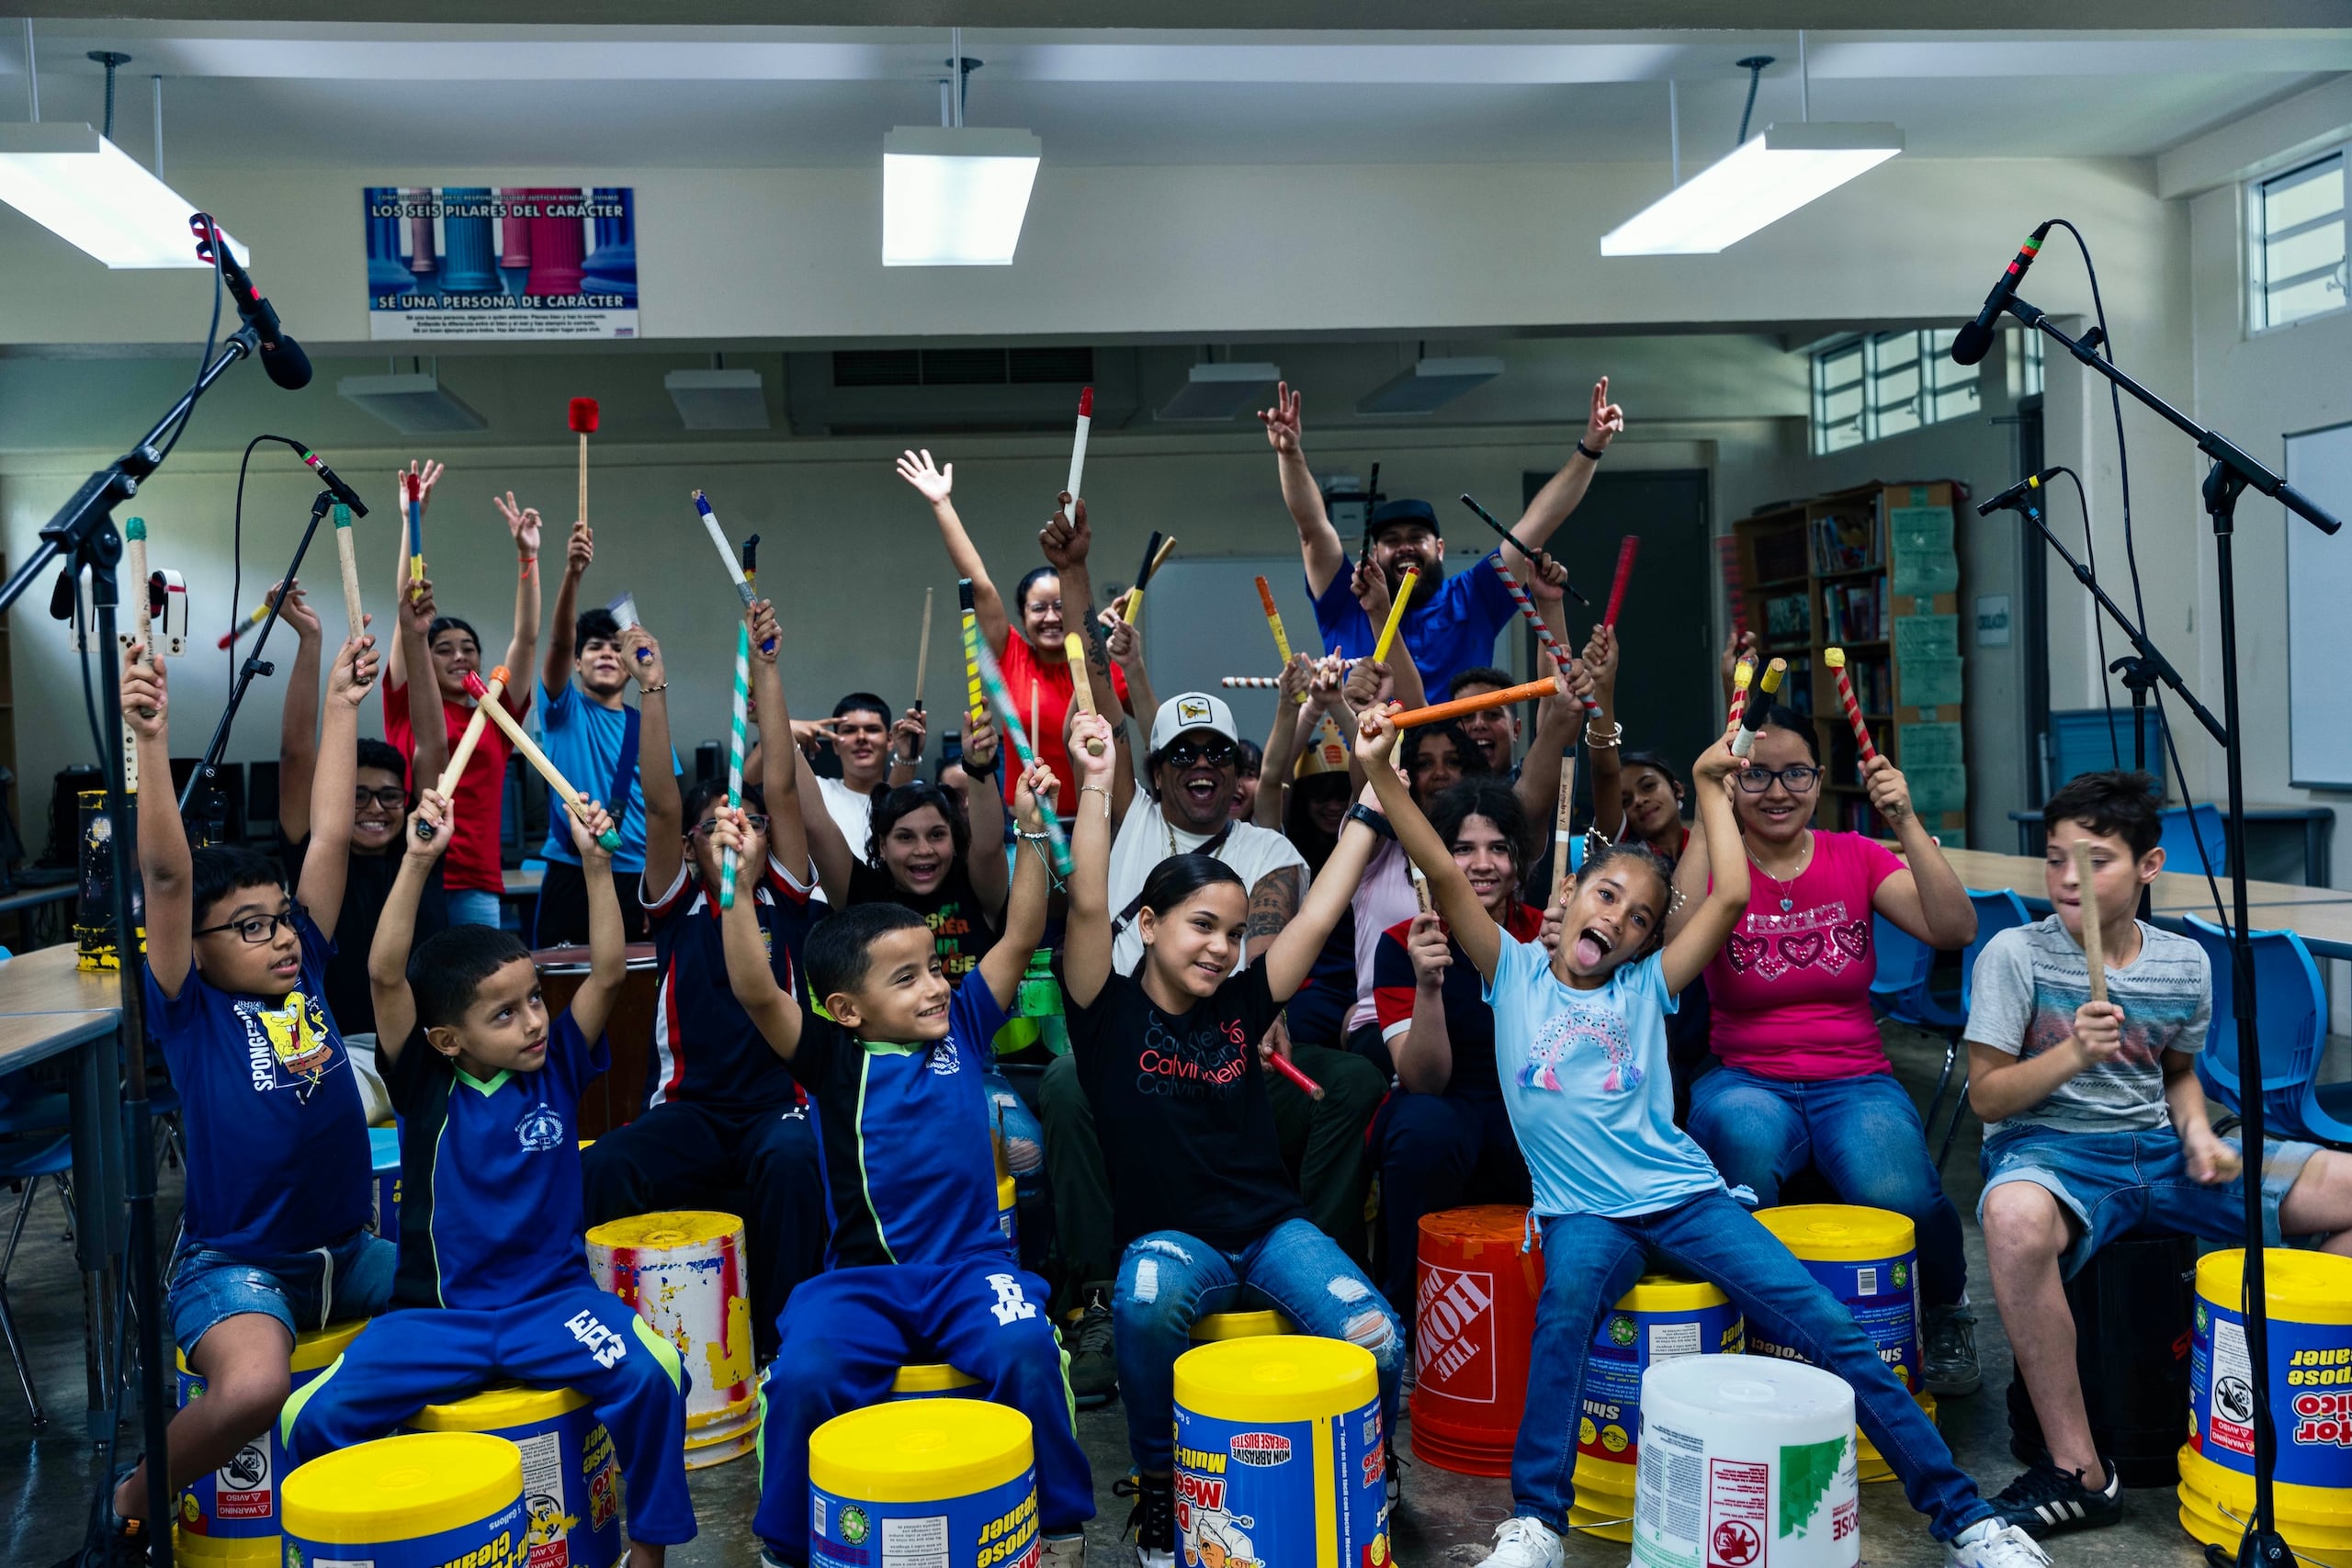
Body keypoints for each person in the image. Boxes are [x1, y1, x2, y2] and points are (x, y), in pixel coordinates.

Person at [1363, 716, 2044, 1568]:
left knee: (1827, 1327)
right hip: (1583, 1214)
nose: (1618, 918)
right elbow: (1434, 858)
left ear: (1649, 942)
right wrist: (1371, 769)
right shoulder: (1511, 969)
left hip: (1686, 1198)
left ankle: (1967, 1519)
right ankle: (1538, 1520)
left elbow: (1725, 895)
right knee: (1563, 1319)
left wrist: (1712, 783)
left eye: (1641, 917)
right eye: (1605, 895)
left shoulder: (1649, 984)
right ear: (1567, 895)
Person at [282, 789, 695, 1567]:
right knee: (310, 1413)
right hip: (438, 1321)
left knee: (656, 1372)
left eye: (535, 999)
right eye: (503, 1014)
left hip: (554, 1307)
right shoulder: (426, 1084)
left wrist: (599, 862)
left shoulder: (557, 1067)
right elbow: (383, 970)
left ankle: (651, 1547)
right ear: (444, 1038)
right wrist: (417, 861)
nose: (535, 1021)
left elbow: (609, 971)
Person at [706, 763, 1091, 1568]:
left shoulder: (966, 1029)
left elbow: (1021, 934)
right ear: (847, 1008)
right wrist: (737, 890)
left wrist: (1026, 829)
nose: (936, 986)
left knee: (1027, 1349)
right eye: (906, 976)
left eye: (936, 968)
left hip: (972, 1272)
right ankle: (783, 1542)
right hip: (862, 1283)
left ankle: (1058, 1526)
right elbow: (753, 987)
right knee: (802, 1373)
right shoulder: (830, 1057)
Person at [72, 631, 391, 1566]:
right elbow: (168, 877)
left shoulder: (314, 973)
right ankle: (130, 1504)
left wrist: (342, 703)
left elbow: (328, 834)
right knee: (252, 1389)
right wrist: (149, 739)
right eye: (250, 929)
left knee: (468, 1292)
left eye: (281, 918)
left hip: (355, 1250)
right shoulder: (190, 1011)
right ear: (198, 948)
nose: (280, 939)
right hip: (244, 1264)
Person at [1967, 770, 2352, 1539]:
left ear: (2150, 865)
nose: (2069, 877)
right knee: (2011, 1218)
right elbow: (1986, 1097)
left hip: (2161, 1147)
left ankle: (2302, 1418)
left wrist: (2201, 1131)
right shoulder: (2015, 954)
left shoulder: (2184, 961)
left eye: (2096, 858)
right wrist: (2073, 1051)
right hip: (2052, 1149)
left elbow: (2177, 1072)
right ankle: (2081, 1471)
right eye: (2054, 858)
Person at [1058, 709, 1402, 1563]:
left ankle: (1377, 1468)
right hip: (1175, 1243)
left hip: (1271, 1231)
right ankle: (1163, 1483)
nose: (1221, 947)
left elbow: (1318, 913)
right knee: (1142, 1305)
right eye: (1200, 925)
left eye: (1233, 931)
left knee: (1379, 1337)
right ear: (1148, 925)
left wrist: (1370, 790)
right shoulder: (1107, 1011)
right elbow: (1090, 895)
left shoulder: (1243, 1004)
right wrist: (1096, 783)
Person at [1673, 705, 1984, 1396]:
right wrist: (1707, 809)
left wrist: (1904, 819)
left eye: (1797, 773)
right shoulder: (1721, 860)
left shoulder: (1856, 854)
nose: (1778, 791)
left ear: (1819, 778)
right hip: (1747, 1074)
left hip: (1855, 1076)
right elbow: (1674, 939)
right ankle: (1746, 1321)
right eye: (1756, 775)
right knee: (1743, 1151)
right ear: (1733, 779)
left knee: (1898, 1191)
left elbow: (1954, 927)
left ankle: (1945, 1308)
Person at [579, 603, 828, 1363]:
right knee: (606, 1165)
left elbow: (781, 786)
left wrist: (771, 669)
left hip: (778, 1107)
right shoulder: (680, 900)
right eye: (714, 824)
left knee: (791, 1165)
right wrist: (652, 688)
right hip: (691, 1110)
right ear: (689, 850)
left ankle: (787, 1351)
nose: (733, 829)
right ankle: (611, 1347)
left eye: (744, 820)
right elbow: (658, 802)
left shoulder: (786, 892)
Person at [1259, 377, 1623, 694]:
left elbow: (1539, 523)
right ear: (1372, 552)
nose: (1405, 547)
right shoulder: (1346, 599)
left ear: (1441, 548)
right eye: (1391, 540)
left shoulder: (1475, 596)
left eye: (1417, 537)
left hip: (1464, 765)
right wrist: (1289, 453)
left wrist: (1590, 448)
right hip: (1371, 765)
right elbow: (1312, 531)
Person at [1370, 779, 1540, 1316]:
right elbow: (1423, 1080)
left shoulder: (1548, 934)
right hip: (1448, 1102)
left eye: (1498, 848)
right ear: (1431, 863)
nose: (1482, 864)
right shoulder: (1405, 941)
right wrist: (1428, 985)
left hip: (1528, 1100)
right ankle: (1409, 1322)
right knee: (1423, 1127)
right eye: (1462, 849)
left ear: (1519, 862)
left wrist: (1561, 976)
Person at [273, 577, 447, 1043]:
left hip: (424, 1045)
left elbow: (433, 745)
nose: (375, 808)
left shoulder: (421, 845)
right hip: (337, 1047)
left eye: (389, 796)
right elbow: (296, 753)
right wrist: (310, 641)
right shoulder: (316, 850)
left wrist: (414, 638)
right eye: (356, 796)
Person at [899, 449, 1128, 804]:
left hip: (1094, 822)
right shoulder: (1013, 654)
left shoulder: (1100, 668)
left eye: (1060, 607)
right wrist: (942, 503)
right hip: (1023, 824)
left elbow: (1146, 720)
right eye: (1039, 608)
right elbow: (979, 583)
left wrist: (1130, 659)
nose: (1051, 617)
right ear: (1022, 617)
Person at [383, 464, 540, 928]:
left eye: (469, 649)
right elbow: (406, 607)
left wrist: (528, 559)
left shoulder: (498, 718)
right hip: (413, 872)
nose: (459, 657)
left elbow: (526, 640)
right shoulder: (406, 705)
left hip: (477, 884)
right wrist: (413, 519)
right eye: (444, 649)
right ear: (423, 659)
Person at [535, 519, 674, 944]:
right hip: (570, 870)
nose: (607, 655)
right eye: (594, 647)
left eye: (617, 648)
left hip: (636, 877)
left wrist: (659, 886)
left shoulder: (646, 724)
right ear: (577, 663)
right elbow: (558, 643)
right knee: (562, 988)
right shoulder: (564, 711)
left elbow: (662, 812)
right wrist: (572, 574)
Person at [807, 691, 922, 860]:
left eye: (872, 729)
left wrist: (907, 756)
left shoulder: (920, 799)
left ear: (890, 740)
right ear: (835, 745)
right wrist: (785, 729)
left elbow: (893, 809)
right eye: (849, 730)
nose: (861, 737)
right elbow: (752, 786)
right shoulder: (816, 791)